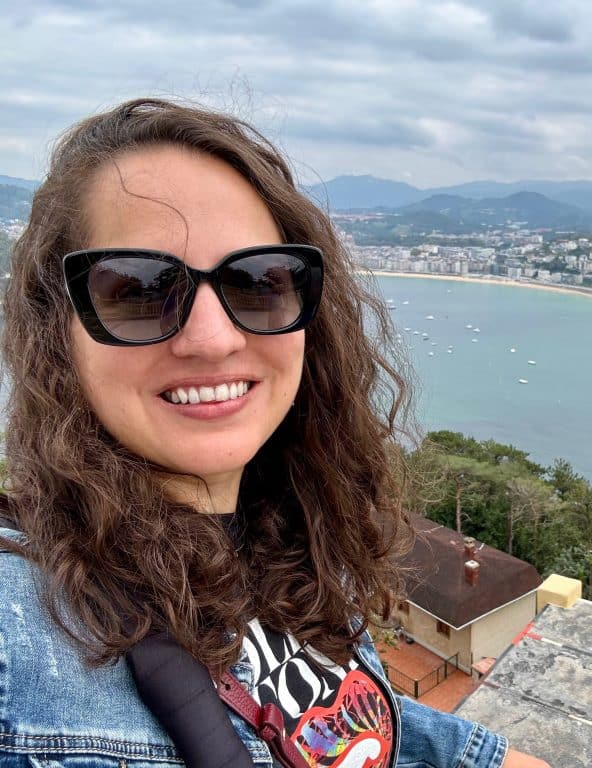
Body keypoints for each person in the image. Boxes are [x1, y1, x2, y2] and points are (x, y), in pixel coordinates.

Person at [0, 98, 547, 768]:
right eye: (139, 291)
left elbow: (336, 722)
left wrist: (483, 758)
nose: (212, 339)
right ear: (57, 331)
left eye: (257, 282)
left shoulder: (295, 536)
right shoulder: (18, 633)